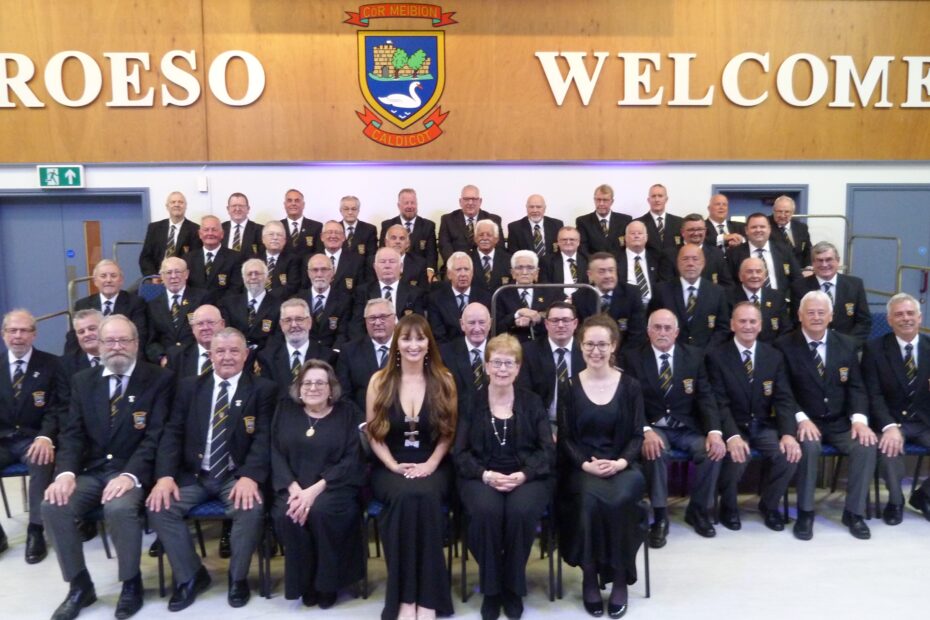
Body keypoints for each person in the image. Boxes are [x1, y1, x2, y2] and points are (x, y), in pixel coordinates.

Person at [43, 315, 174, 620]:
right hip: (93, 471)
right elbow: (72, 434)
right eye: (110, 341)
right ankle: (79, 585)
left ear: (136, 343)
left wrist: (130, 475)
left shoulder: (159, 379)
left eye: (123, 340)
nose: (117, 347)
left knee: (118, 508)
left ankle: (131, 583)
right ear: (99, 345)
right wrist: (65, 474)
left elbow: (156, 436)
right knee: (53, 505)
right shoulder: (83, 381)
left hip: (133, 472)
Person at [146, 328, 276, 611]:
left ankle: (237, 578)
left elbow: (264, 437)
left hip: (235, 475)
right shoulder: (189, 387)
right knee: (159, 507)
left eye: (234, 351)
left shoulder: (263, 389)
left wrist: (250, 476)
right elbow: (172, 433)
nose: (227, 357)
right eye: (220, 351)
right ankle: (191, 575)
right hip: (195, 475)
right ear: (210, 355)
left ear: (245, 355)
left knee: (250, 508)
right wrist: (164, 477)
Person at [453, 333, 554, 620]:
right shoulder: (470, 402)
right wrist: (485, 475)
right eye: (496, 362)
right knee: (487, 512)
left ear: (518, 368)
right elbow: (460, 452)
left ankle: (513, 586)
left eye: (509, 363)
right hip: (480, 475)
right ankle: (491, 588)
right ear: (486, 366)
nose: (502, 369)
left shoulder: (532, 402)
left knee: (521, 512)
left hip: (527, 476)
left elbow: (546, 450)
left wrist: (523, 475)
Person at [365, 314, 457, 620]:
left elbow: (449, 432)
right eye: (406, 338)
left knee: (425, 496)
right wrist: (393, 465)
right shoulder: (379, 381)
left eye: (420, 338)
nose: (413, 345)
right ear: (397, 344)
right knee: (405, 496)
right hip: (390, 464)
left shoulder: (444, 379)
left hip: (434, 463)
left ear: (429, 343)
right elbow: (373, 433)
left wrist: (431, 464)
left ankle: (428, 599)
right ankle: (404, 599)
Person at [558, 314, 647, 619]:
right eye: (589, 345)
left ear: (613, 346)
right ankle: (589, 575)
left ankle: (620, 578)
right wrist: (586, 465)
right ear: (580, 346)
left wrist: (620, 462)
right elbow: (566, 438)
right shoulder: (569, 386)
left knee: (620, 499)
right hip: (583, 468)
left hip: (623, 466)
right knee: (588, 501)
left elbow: (637, 435)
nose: (595, 351)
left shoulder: (631, 386)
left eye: (602, 344)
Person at [775, 290, 877, 540]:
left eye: (821, 312)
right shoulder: (784, 346)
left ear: (831, 316)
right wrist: (801, 418)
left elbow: (856, 387)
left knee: (866, 445)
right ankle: (805, 513)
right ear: (800, 315)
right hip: (806, 421)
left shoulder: (847, 344)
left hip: (840, 421)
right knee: (809, 448)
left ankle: (854, 513)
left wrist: (859, 421)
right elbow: (782, 392)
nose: (816, 317)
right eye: (810, 312)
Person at [622, 309, 725, 547]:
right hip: (654, 426)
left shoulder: (694, 356)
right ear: (648, 331)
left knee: (713, 451)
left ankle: (698, 511)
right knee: (655, 450)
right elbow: (630, 401)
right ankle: (660, 517)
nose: (662, 332)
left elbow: (706, 397)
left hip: (686, 427)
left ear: (676, 332)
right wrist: (645, 430)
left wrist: (714, 432)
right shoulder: (632, 358)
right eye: (657, 327)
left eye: (667, 328)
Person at [271, 359, 364, 608]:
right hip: (292, 486)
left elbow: (351, 458)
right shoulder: (285, 410)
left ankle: (328, 584)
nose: (313, 388)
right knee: (287, 514)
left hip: (334, 486)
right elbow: (275, 452)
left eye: (320, 383)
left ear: (331, 388)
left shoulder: (347, 412)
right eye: (307, 383)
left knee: (322, 512)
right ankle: (305, 584)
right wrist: (294, 489)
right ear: (299, 388)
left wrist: (313, 492)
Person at [705, 302, 801, 532]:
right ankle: (728, 507)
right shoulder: (716, 356)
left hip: (763, 424)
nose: (747, 326)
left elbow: (784, 399)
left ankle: (769, 505)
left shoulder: (774, 356)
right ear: (732, 325)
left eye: (752, 321)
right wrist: (732, 436)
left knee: (789, 455)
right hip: (733, 425)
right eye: (742, 321)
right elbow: (719, 403)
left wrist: (788, 434)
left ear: (760, 325)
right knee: (738, 455)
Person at [0, 309, 68, 563]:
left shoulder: (53, 364)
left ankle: (36, 529)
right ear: (3, 334)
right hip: (3, 439)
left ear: (34, 334)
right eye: (12, 330)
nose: (18, 336)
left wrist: (46, 437)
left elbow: (58, 407)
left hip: (34, 437)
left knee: (41, 459)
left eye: (24, 330)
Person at [860, 293, 930, 524]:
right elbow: (873, 394)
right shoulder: (874, 349)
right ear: (890, 320)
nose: (906, 318)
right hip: (890, 419)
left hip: (924, 421)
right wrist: (889, 426)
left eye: (910, 313)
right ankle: (895, 501)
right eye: (899, 314)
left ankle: (923, 495)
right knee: (889, 450)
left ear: (920, 317)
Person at [518, 301, 585, 432]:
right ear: (546, 324)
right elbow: (525, 395)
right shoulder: (528, 352)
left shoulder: (586, 351)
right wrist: (544, 430)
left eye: (566, 320)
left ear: (575, 323)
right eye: (555, 320)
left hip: (581, 424)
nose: (560, 325)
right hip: (542, 423)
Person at [649, 244, 732, 349]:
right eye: (685, 259)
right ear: (678, 263)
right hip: (672, 353)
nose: (690, 263)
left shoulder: (717, 292)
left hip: (706, 355)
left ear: (703, 263)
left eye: (695, 259)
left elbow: (723, 328)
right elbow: (652, 324)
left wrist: (706, 353)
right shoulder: (661, 291)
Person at [790, 241, 871, 347]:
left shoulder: (855, 285)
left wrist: (848, 345)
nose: (824, 264)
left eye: (829, 259)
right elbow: (797, 322)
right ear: (813, 263)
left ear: (838, 260)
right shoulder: (799, 287)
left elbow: (864, 322)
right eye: (820, 260)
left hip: (848, 347)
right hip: (812, 347)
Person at [256, 298, 336, 398]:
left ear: (309, 322)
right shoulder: (267, 357)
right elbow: (266, 396)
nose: (294, 325)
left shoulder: (328, 357)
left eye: (299, 319)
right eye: (288, 320)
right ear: (281, 325)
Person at [67, 260, 147, 354]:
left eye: (113, 276)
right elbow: (73, 338)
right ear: (95, 281)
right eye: (103, 276)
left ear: (121, 280)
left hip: (122, 354)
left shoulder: (136, 303)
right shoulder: (82, 305)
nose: (108, 280)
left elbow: (139, 336)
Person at [572, 252, 645, 350]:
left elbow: (637, 334)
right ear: (590, 275)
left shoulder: (632, 294)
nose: (608, 275)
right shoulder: (579, 297)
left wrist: (620, 356)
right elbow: (579, 335)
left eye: (611, 270)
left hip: (625, 353)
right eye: (602, 271)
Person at [336, 298, 396, 413]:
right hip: (362, 419)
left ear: (394, 318)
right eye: (372, 318)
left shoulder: (406, 350)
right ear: (365, 321)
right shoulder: (349, 351)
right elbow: (343, 394)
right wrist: (364, 420)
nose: (377, 323)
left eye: (383, 317)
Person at [726, 212, 803, 301]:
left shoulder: (785, 251)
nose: (758, 230)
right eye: (754, 227)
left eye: (762, 227)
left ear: (769, 229)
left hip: (781, 303)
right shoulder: (734, 254)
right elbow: (730, 284)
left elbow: (797, 279)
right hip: (747, 303)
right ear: (746, 230)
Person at [144, 257, 207, 365]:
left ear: (186, 274)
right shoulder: (152, 305)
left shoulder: (202, 298)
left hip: (196, 361)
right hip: (166, 363)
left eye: (178, 272)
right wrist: (161, 358)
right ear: (162, 276)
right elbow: (151, 342)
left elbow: (208, 333)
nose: (173, 276)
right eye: (168, 273)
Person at [352, 247, 425, 338]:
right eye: (382, 262)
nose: (387, 266)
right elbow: (356, 326)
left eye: (392, 261)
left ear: (401, 267)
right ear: (375, 267)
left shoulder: (415, 293)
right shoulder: (363, 292)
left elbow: (419, 326)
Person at [494, 250, 561, 343]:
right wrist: (516, 316)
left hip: (542, 344)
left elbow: (557, 323)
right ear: (512, 272)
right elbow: (496, 327)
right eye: (519, 268)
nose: (524, 272)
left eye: (530, 268)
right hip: (512, 345)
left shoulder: (550, 292)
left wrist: (539, 319)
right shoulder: (501, 293)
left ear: (537, 272)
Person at [427, 251, 492, 344]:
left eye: (466, 269)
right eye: (458, 270)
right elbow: (438, 336)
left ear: (472, 273)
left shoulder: (485, 298)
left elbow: (488, 333)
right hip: (448, 350)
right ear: (449, 274)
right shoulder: (436, 299)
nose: (463, 274)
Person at [218, 259, 282, 351]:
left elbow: (276, 339)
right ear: (243, 278)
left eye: (257, 273)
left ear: (267, 277)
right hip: (235, 353)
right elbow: (226, 334)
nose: (253, 277)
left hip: (265, 355)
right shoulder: (228, 304)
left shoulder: (279, 306)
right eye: (249, 274)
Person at [728, 257, 792, 342]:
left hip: (772, 348)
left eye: (758, 271)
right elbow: (726, 331)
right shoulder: (728, 298)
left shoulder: (777, 297)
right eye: (749, 272)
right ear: (740, 276)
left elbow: (785, 329)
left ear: (765, 276)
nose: (755, 276)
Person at [297, 253, 352, 349]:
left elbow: (343, 334)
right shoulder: (298, 300)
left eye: (324, 269)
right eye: (315, 270)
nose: (319, 274)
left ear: (333, 272)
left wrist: (334, 354)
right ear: (308, 273)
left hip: (333, 354)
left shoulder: (345, 301)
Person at [440, 302, 493, 403]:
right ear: (462, 324)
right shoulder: (445, 354)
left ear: (490, 323)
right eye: (471, 323)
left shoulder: (501, 352)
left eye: (482, 322)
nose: (477, 329)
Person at [139, 191, 199, 276]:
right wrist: (153, 276)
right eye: (173, 202)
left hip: (181, 278)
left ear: (185, 206)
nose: (176, 205)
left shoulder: (195, 229)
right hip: (157, 276)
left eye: (180, 202)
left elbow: (195, 260)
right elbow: (145, 257)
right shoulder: (154, 228)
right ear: (167, 206)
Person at [439, 184, 504, 264]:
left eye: (474, 199)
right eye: (466, 199)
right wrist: (458, 265)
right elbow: (445, 247)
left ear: (480, 201)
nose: (470, 203)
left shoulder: (493, 220)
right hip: (456, 266)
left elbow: (500, 249)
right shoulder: (448, 220)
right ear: (460, 202)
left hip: (484, 265)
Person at [185, 215, 243, 302]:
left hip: (224, 307)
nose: (210, 233)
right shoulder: (188, 258)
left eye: (214, 230)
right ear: (200, 234)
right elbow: (185, 288)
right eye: (206, 230)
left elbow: (235, 289)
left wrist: (216, 308)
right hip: (194, 307)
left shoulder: (235, 258)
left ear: (222, 234)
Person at [379, 188, 438, 274]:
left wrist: (430, 271)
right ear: (399, 206)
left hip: (421, 273)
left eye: (412, 203)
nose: (410, 206)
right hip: (393, 272)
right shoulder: (387, 225)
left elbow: (431, 254)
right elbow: (382, 252)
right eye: (406, 203)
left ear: (417, 204)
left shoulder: (428, 226)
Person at [617, 220, 672, 307]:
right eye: (632, 233)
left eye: (640, 233)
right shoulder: (615, 259)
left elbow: (664, 285)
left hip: (654, 305)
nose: (636, 236)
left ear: (646, 237)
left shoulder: (658, 258)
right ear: (625, 238)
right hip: (626, 305)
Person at [675, 213, 734, 289]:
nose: (696, 233)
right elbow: (667, 286)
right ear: (682, 232)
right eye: (691, 230)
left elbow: (728, 285)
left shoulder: (717, 254)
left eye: (699, 229)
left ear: (705, 231)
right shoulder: (671, 254)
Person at [166, 304, 224, 378]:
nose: (205, 327)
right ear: (193, 328)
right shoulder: (177, 357)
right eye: (200, 324)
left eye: (210, 322)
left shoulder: (234, 355)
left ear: (222, 324)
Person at [575, 184, 632, 259]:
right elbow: (582, 248)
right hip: (594, 264)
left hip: (620, 264)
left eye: (605, 200)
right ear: (594, 200)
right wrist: (596, 263)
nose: (601, 203)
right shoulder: (583, 222)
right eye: (598, 200)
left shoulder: (625, 220)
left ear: (612, 201)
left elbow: (629, 246)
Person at [250, 220, 301, 300]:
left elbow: (292, 286)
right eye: (271, 234)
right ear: (263, 239)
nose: (275, 238)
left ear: (284, 240)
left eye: (279, 235)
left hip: (281, 302)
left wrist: (267, 297)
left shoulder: (292, 260)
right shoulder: (254, 260)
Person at [506, 193, 563, 258]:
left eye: (538, 207)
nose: (535, 210)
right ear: (526, 208)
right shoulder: (515, 228)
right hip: (527, 263)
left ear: (544, 208)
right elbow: (514, 254)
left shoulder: (557, 225)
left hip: (552, 263)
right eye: (531, 207)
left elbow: (561, 251)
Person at [539, 226, 588, 299]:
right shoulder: (546, 261)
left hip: (583, 300)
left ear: (578, 242)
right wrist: (564, 300)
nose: (568, 242)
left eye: (572, 239)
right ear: (558, 242)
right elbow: (545, 285)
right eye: (564, 239)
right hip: (557, 302)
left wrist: (575, 299)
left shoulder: (588, 260)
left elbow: (590, 285)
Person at [321, 219, 369, 292]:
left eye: (337, 233)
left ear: (343, 237)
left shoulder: (357, 261)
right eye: (329, 232)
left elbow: (360, 291)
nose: (333, 236)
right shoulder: (310, 260)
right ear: (322, 237)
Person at [635, 183, 682, 255]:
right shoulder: (638, 223)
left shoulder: (679, 222)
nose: (657, 199)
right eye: (653, 196)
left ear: (666, 199)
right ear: (648, 200)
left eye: (660, 196)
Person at [470, 220, 513, 294]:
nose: (485, 238)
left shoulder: (509, 260)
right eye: (481, 235)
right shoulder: (467, 260)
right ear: (475, 238)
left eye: (489, 235)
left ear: (496, 239)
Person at [381, 224, 430, 290]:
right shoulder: (374, 261)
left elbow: (423, 291)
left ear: (408, 243)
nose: (397, 241)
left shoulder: (420, 263)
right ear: (386, 242)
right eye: (393, 238)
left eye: (402, 238)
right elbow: (371, 289)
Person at [769, 195, 811, 270]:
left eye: (787, 212)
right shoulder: (765, 225)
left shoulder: (802, 227)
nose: (782, 215)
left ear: (792, 212)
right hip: (776, 271)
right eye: (779, 211)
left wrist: (808, 267)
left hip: (799, 272)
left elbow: (808, 250)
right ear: (773, 211)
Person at [281, 188, 324, 259]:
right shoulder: (277, 226)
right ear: (285, 205)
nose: (293, 203)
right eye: (289, 200)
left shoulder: (316, 227)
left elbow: (318, 253)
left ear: (303, 205)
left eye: (297, 200)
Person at [61, 309, 103, 377]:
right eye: (81, 332)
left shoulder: (120, 356)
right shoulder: (65, 365)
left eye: (92, 329)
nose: (87, 334)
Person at [339, 195, 378, 261]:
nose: (350, 212)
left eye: (354, 209)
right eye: (346, 209)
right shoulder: (335, 229)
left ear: (358, 210)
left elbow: (371, 256)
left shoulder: (369, 230)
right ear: (340, 210)